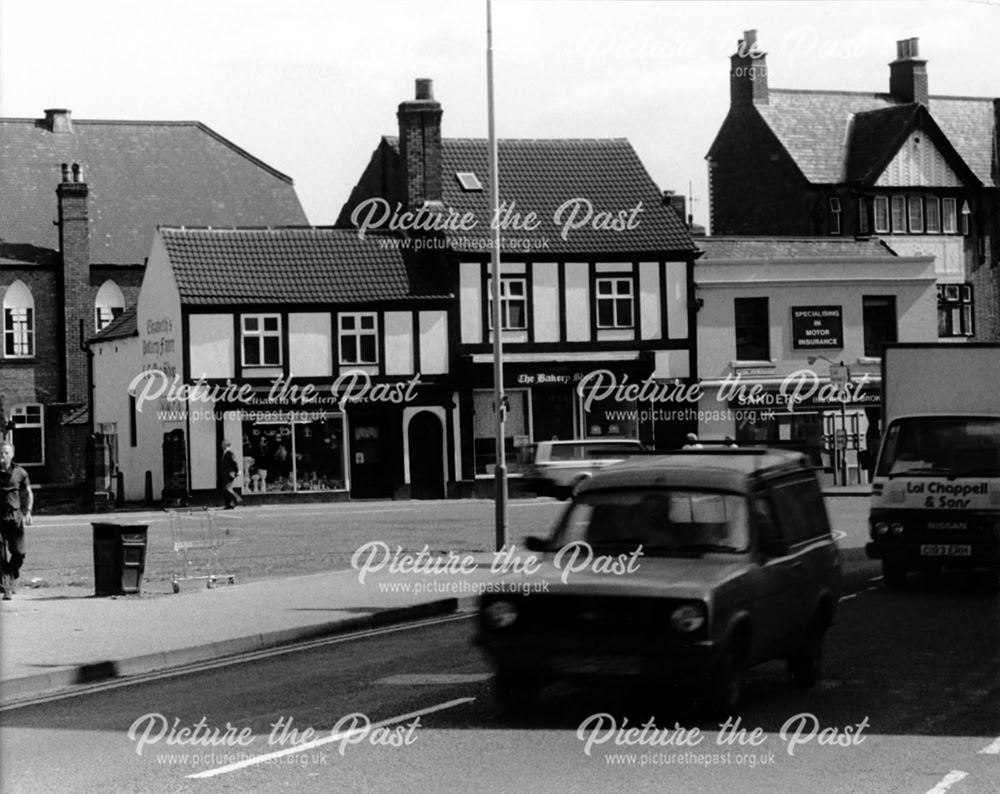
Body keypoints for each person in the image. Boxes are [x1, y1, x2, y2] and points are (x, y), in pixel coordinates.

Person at [0, 441, 33, 600]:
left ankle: (12, 575)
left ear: (12, 454)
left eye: (6, 453)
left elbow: (28, 492)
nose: (3, 456)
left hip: (15, 517)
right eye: (1, 453)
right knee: (0, 555)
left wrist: (28, 511)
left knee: (19, 552)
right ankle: (6, 587)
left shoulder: (20, 472)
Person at [219, 440, 242, 509]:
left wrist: (237, 471)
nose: (221, 446)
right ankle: (229, 504)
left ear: (226, 445)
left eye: (223, 444)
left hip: (229, 474)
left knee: (227, 488)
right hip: (225, 474)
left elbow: (234, 463)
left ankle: (235, 500)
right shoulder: (224, 453)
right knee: (226, 489)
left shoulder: (230, 453)